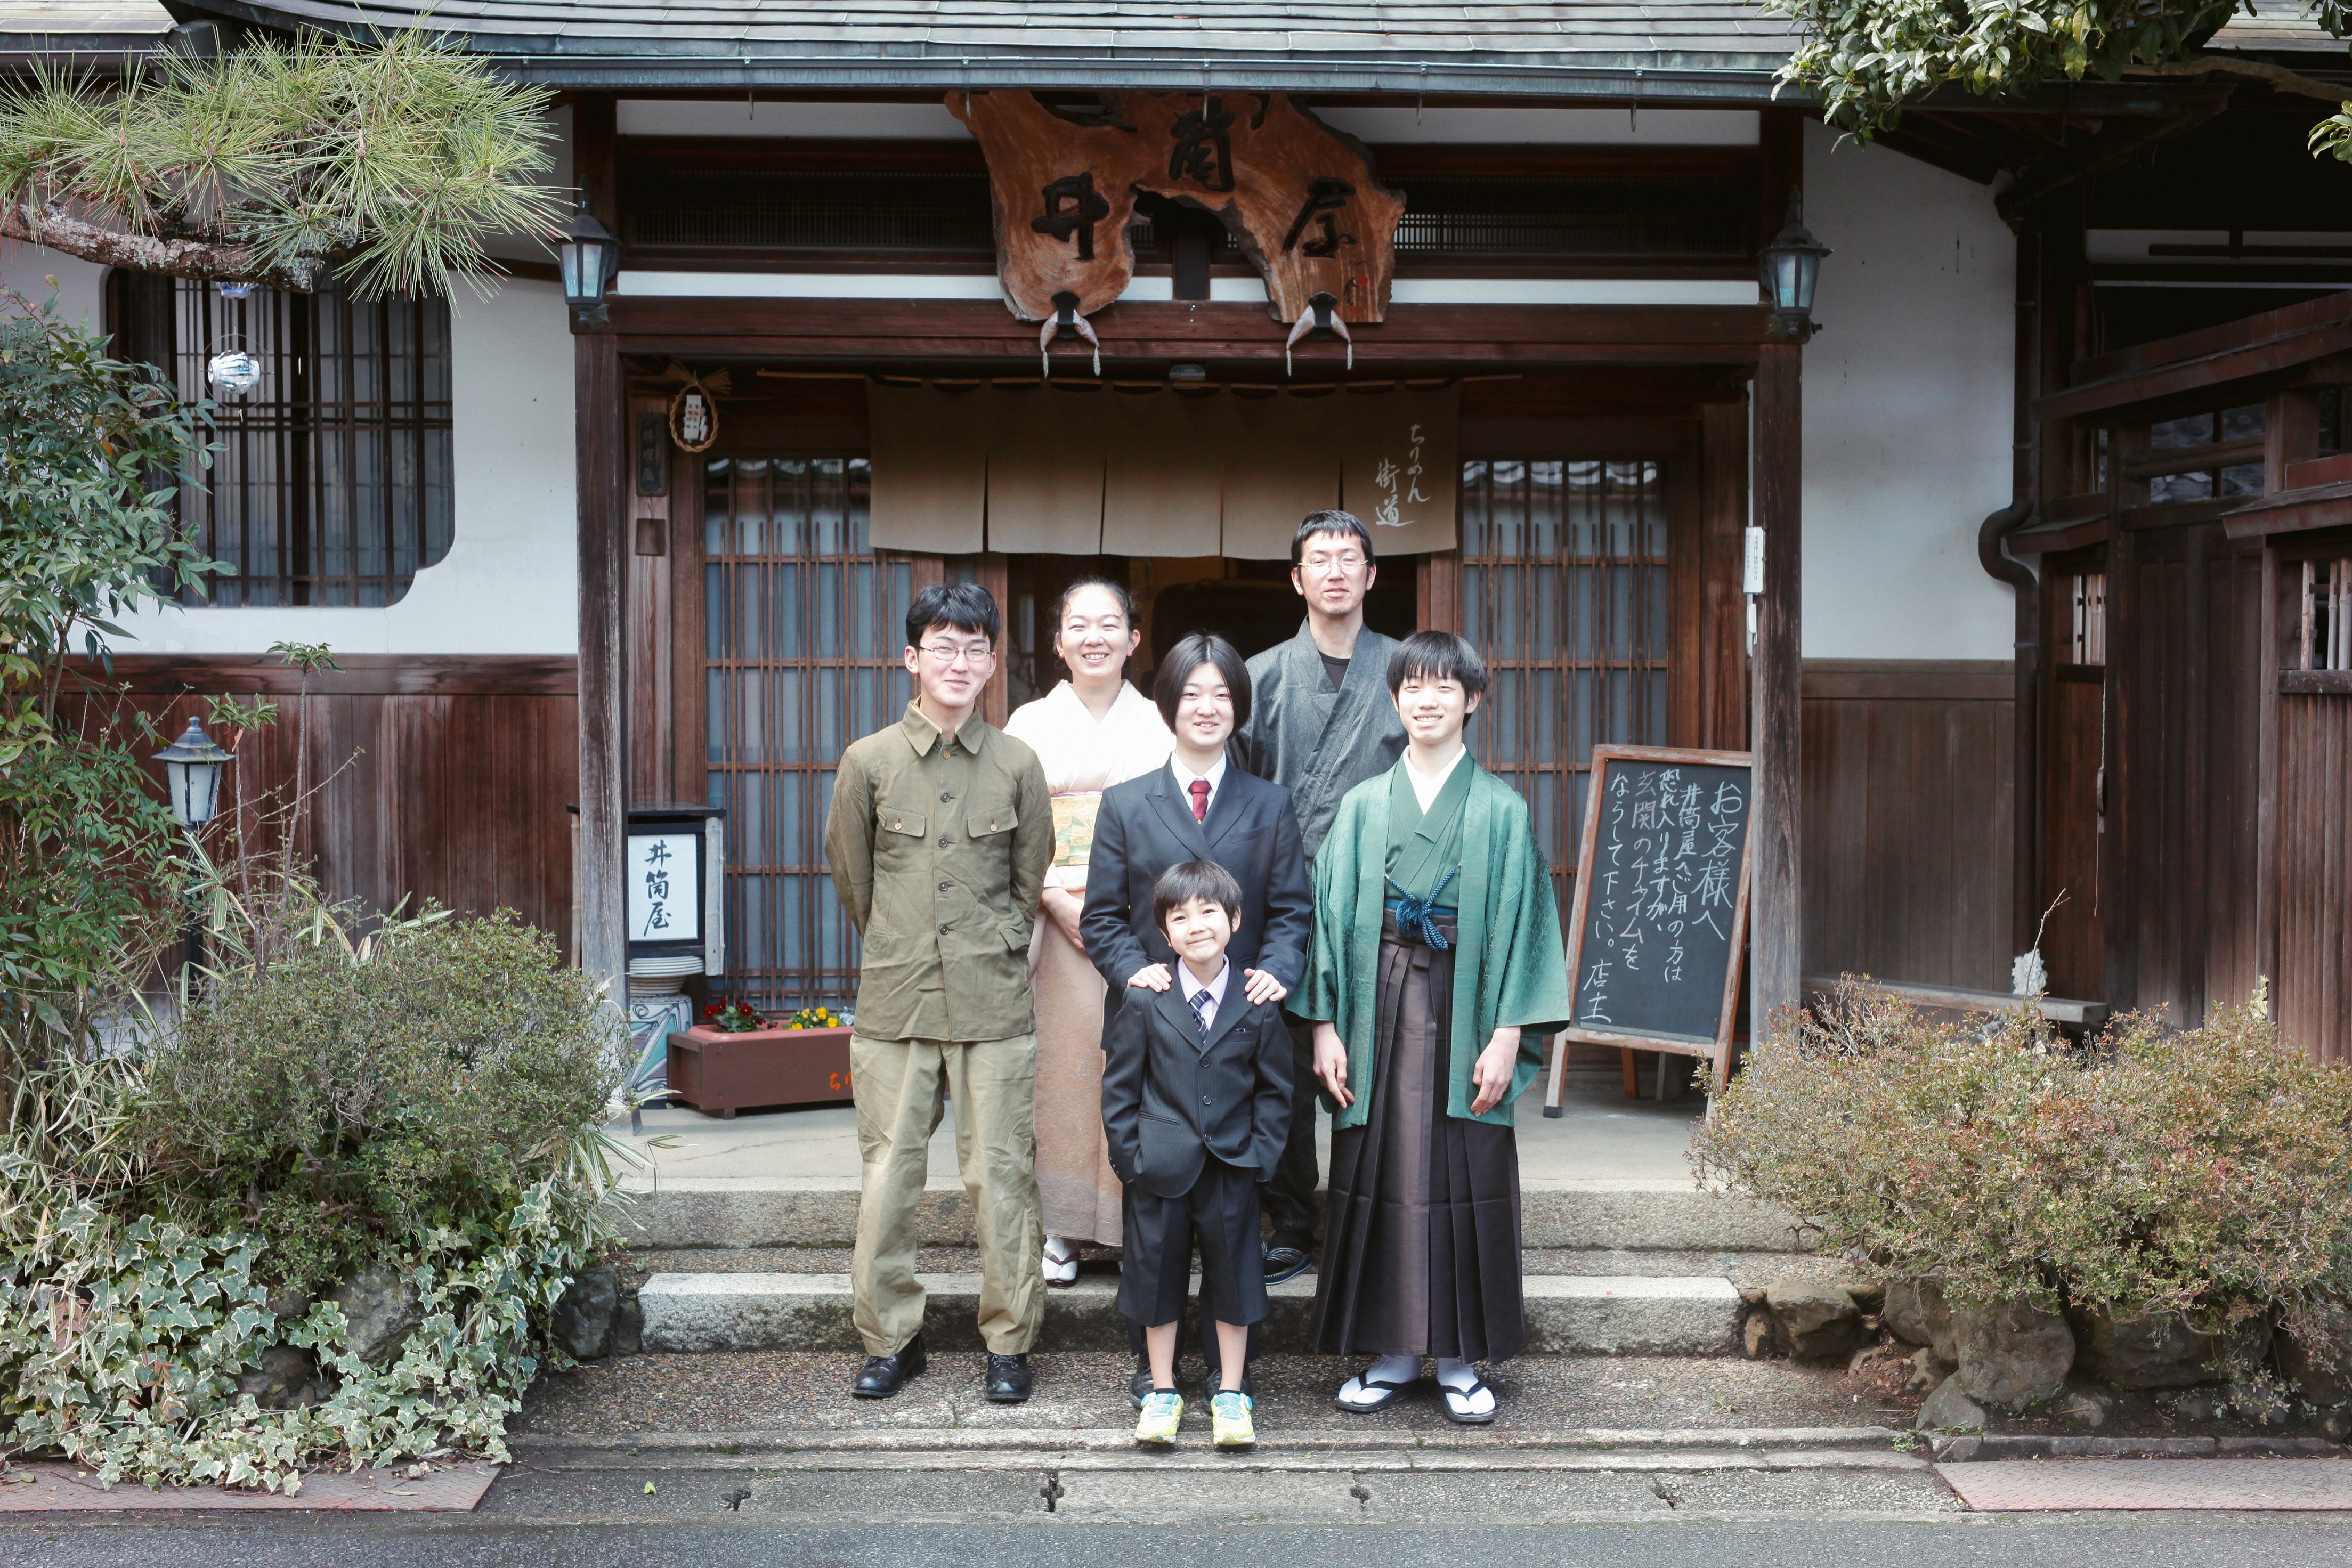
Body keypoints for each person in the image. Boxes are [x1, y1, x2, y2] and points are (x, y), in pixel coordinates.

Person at [1295, 630, 1571, 1425]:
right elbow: (1326, 919)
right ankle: (1388, 1351)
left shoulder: (1501, 810)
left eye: (1444, 686)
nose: (1426, 698)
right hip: (1372, 1002)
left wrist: (1509, 1033)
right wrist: (1323, 1025)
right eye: (1411, 685)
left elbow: (1525, 927)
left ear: (1473, 699)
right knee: (1378, 1171)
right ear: (1393, 700)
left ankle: (1455, 1357)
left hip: (1469, 1003)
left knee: (1463, 1173)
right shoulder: (1359, 807)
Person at [823, 581, 1055, 1404]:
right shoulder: (869, 761)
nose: (959, 662)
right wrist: (902, 943)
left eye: (975, 648)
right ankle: (892, 1338)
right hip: (896, 1000)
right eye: (942, 647)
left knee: (1001, 1175)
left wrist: (981, 944)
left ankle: (1009, 1341)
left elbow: (1028, 880)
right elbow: (854, 878)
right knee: (888, 1173)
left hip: (993, 1002)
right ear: (911, 658)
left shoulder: (1018, 763)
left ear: (993, 662)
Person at [1082, 630, 1311, 1402]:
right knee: (1158, 1221)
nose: (1206, 708)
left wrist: (1274, 974)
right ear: (1168, 704)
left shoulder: (1269, 804)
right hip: (1158, 1030)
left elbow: (1287, 910)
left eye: (1222, 695)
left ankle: (1228, 1376)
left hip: (1240, 1021)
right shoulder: (1125, 802)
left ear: (1238, 708)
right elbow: (1103, 916)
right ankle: (1156, 1372)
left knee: (1230, 1221)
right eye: (1192, 694)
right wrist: (1130, 970)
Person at [1235, 510, 1409, 1285]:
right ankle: (1293, 1218)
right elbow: (1235, 796)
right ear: (1297, 578)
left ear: (1371, 576)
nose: (1335, 570)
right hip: (1279, 898)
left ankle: (1372, 1214)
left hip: (1384, 899)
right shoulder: (1260, 674)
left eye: (1350, 558)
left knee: (1379, 1055)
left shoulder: (1410, 671)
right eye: (1319, 558)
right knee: (1281, 1064)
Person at [1002, 578, 1173, 1286]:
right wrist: (1051, 895)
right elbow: (1005, 829)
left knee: (1136, 1072)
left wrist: (1117, 908)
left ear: (1134, 639)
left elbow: (1177, 827)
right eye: (1079, 623)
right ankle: (1063, 1227)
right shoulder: (1027, 723)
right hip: (1052, 917)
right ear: (1058, 639)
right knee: (1062, 1071)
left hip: (1137, 919)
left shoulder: (1161, 720)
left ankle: (1136, 1221)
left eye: (1111, 623)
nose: (1094, 635)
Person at [1101, 859, 1293, 1451]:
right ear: (1164, 933)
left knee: (1234, 1279)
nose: (1196, 925)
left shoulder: (1257, 998)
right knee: (1156, 1280)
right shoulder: (1144, 998)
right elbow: (1120, 1088)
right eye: (1179, 916)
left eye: (1209, 912)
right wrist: (1131, 1160)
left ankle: (1230, 1393)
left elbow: (1276, 1090)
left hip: (1233, 1166)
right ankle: (1162, 1390)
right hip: (1159, 1168)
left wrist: (1260, 1158)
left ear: (1234, 920)